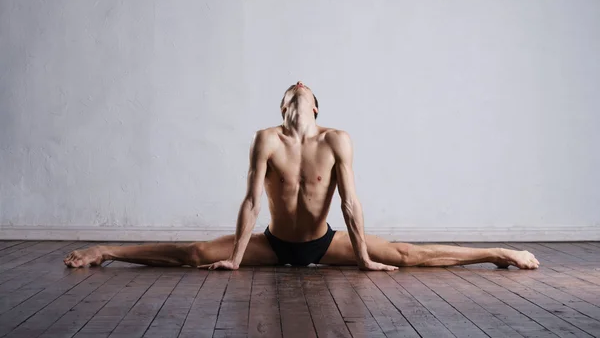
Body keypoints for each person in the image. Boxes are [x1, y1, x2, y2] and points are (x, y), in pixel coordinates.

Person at [64, 82, 540, 270]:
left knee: (406, 254)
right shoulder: (265, 138)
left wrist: (362, 259)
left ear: (315, 106)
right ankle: (107, 251)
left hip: (322, 241)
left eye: (304, 91)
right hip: (272, 242)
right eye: (289, 93)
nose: (296, 91)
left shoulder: (337, 139)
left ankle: (497, 252)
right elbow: (251, 202)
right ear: (282, 107)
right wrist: (233, 256)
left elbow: (350, 203)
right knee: (192, 253)